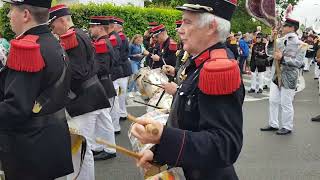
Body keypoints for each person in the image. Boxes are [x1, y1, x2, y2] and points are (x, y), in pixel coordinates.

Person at [131, 0, 244, 179]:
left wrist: (164, 137)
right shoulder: (199, 62)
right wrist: (158, 151)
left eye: (187, 22)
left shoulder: (218, 68)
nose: (179, 28)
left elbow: (224, 145)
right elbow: (188, 124)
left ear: (211, 26)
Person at [0, 0, 73, 179]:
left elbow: (15, 109)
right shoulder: (53, 41)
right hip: (52, 139)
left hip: (29, 147)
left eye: (11, 10)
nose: (9, 15)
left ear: (25, 15)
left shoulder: (27, 48)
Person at [49, 4, 111, 179]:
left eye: (52, 25)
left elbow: (78, 71)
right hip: (89, 95)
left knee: (80, 149)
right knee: (81, 148)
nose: (52, 29)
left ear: (61, 21)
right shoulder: (80, 33)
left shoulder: (71, 37)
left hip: (84, 99)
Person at [260, 18, 306, 135]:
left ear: (292, 28)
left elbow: (299, 63)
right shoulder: (279, 40)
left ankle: (287, 126)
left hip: (289, 77)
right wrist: (271, 40)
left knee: (286, 103)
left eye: (285, 26)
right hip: (276, 75)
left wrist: (283, 58)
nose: (283, 27)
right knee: (273, 100)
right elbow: (270, 52)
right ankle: (273, 124)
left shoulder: (301, 44)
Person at [88, 16, 118, 160]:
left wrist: (87, 70)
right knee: (102, 119)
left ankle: (109, 149)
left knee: (104, 119)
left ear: (100, 28)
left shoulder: (101, 43)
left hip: (103, 85)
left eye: (92, 26)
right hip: (103, 85)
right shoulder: (102, 41)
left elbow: (102, 68)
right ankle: (102, 147)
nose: (90, 29)